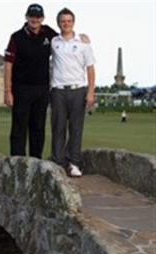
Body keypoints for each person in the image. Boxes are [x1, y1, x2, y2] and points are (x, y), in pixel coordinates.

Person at [4, 4, 89, 159]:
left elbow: (65, 39)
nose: (35, 20)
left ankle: (36, 162)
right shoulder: (16, 37)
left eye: (38, 17)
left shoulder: (49, 34)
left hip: (42, 89)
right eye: (32, 16)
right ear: (27, 17)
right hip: (21, 88)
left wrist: (82, 38)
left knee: (38, 128)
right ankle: (17, 163)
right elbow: (8, 65)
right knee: (19, 127)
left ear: (42, 19)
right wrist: (7, 91)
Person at [50, 8, 96, 177]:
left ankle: (74, 162)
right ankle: (58, 162)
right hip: (58, 90)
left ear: (73, 23)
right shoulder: (53, 41)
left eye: (69, 21)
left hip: (78, 89)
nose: (66, 24)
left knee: (76, 128)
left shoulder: (83, 43)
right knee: (58, 128)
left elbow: (90, 69)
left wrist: (90, 92)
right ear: (58, 23)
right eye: (63, 21)